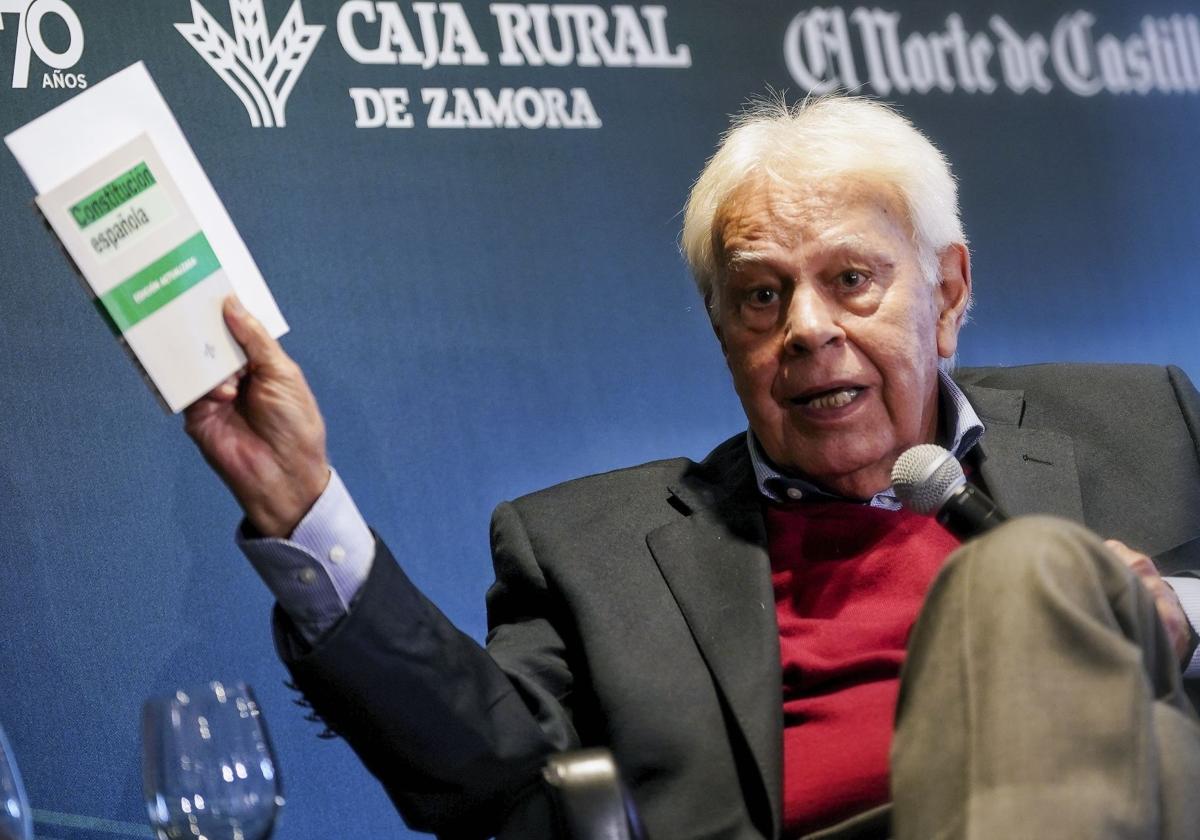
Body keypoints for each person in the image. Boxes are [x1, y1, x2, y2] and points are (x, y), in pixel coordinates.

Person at [186, 96, 1200, 839]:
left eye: (851, 281)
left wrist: (1182, 617)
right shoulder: (595, 555)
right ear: (721, 333)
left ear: (948, 290)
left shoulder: (1144, 426)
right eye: (760, 298)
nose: (806, 330)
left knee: (1053, 605)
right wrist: (301, 508)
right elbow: (487, 780)